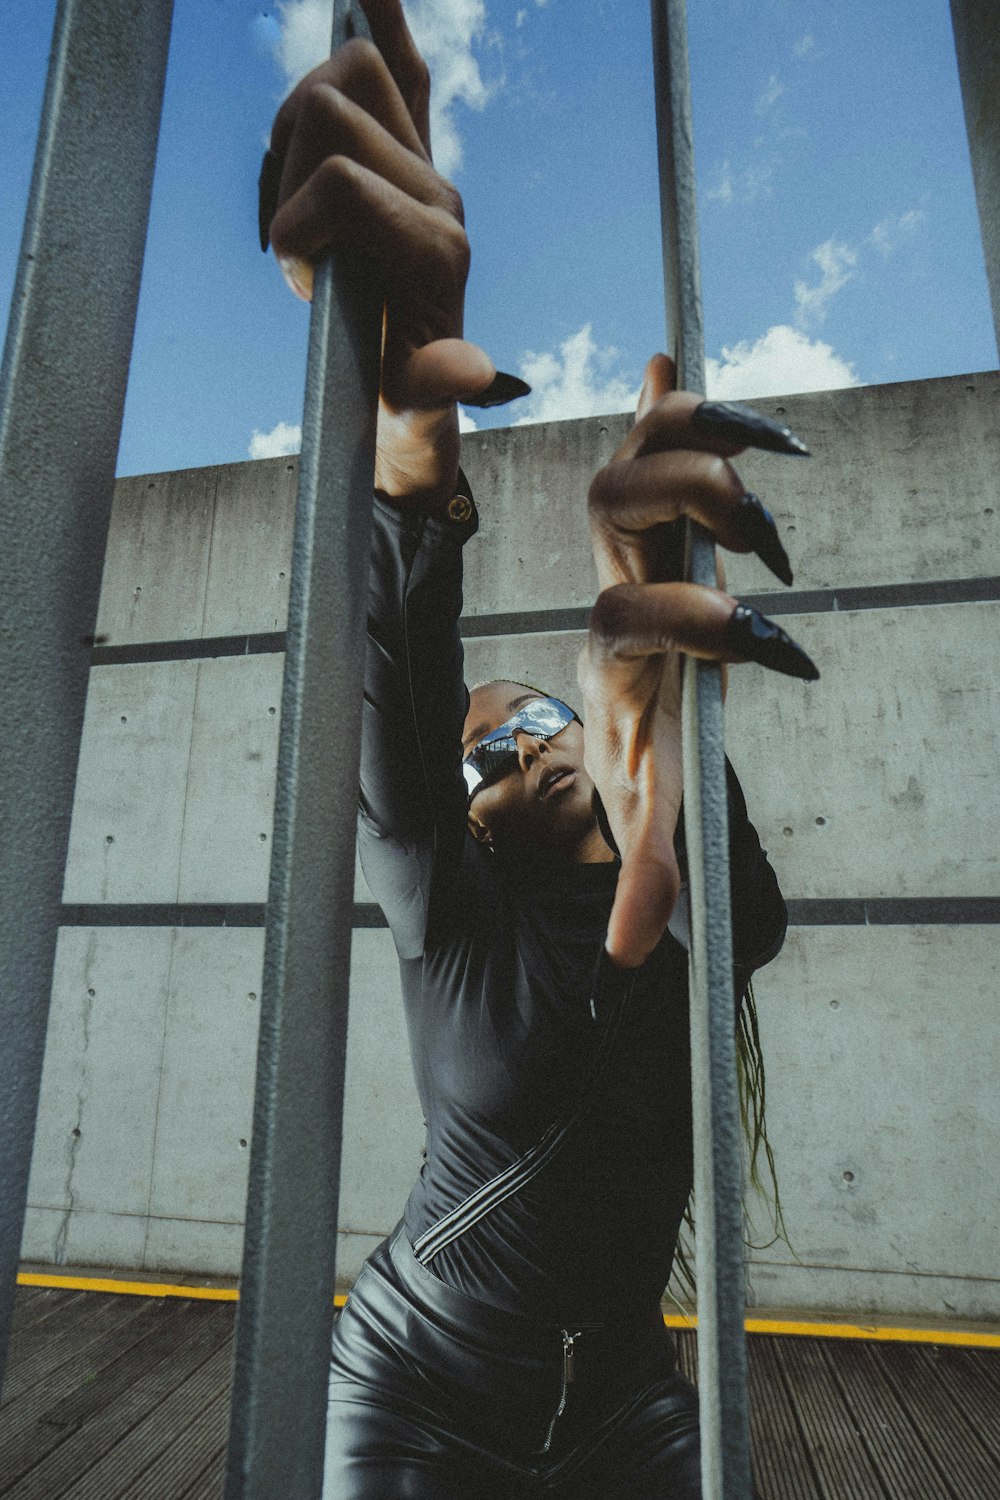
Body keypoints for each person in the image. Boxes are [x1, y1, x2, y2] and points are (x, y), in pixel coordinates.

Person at [259, 4, 816, 1494]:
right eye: (483, 757)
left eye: (536, 721)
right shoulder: (449, 915)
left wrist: (658, 710)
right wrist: (408, 465)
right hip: (419, 1382)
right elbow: (396, 678)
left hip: (630, 1400)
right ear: (469, 816)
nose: (512, 748)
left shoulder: (692, 898)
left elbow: (721, 891)